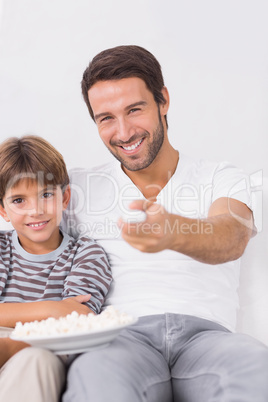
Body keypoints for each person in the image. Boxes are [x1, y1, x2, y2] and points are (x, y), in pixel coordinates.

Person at [62, 45, 268, 402]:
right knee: (94, 379)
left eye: (134, 110)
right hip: (118, 339)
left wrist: (174, 231)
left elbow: (231, 236)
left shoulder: (222, 177)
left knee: (256, 370)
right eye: (106, 118)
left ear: (163, 100)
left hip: (209, 340)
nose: (123, 131)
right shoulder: (74, 188)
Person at [0, 135, 112, 402]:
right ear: (3, 210)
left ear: (65, 198)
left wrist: (10, 344)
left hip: (45, 350)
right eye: (19, 200)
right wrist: (53, 308)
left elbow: (76, 321)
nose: (35, 210)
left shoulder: (85, 253)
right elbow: (63, 312)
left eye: (46, 194)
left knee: (38, 359)